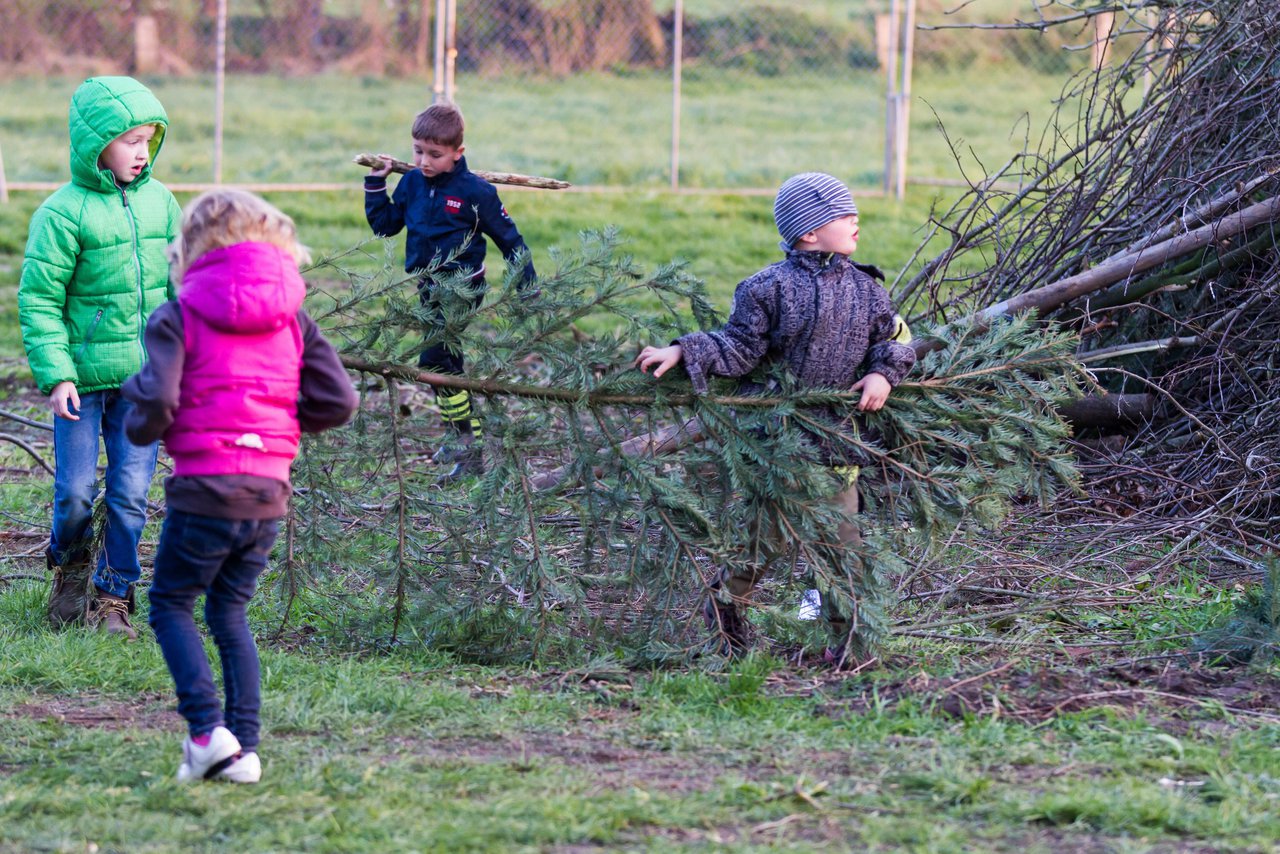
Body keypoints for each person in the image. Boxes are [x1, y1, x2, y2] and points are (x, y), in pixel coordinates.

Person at [122, 189, 359, 784]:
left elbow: (157, 400)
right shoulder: (294, 316)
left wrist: (136, 418)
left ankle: (205, 733)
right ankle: (243, 751)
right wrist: (273, 427)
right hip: (267, 491)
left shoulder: (179, 314)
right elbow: (339, 400)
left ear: (193, 245)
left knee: (171, 604)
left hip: (206, 487)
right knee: (229, 611)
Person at [635, 172, 916, 667]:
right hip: (776, 442)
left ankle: (854, 648)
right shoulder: (768, 288)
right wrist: (685, 349)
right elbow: (739, 347)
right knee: (759, 542)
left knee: (842, 548)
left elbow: (889, 341)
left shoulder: (867, 290)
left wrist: (882, 375)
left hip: (836, 443)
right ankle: (725, 621)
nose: (855, 220)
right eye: (842, 214)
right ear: (809, 232)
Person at [18, 76, 182, 638]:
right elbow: (39, 300)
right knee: (74, 494)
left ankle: (114, 597)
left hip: (143, 383)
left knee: (132, 493)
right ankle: (70, 568)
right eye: (128, 140)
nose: (141, 152)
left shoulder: (162, 203)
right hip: (81, 386)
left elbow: (181, 287)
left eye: (147, 140)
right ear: (95, 144)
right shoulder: (62, 214)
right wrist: (57, 374)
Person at [364, 102, 537, 482]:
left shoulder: (477, 193)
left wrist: (528, 284)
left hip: (461, 288)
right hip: (428, 286)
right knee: (445, 366)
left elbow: (510, 239)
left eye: (435, 154)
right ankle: (460, 437)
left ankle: (468, 448)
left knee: (437, 363)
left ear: (459, 153)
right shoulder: (411, 183)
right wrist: (377, 185)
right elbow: (385, 227)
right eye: (418, 151)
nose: (424, 161)